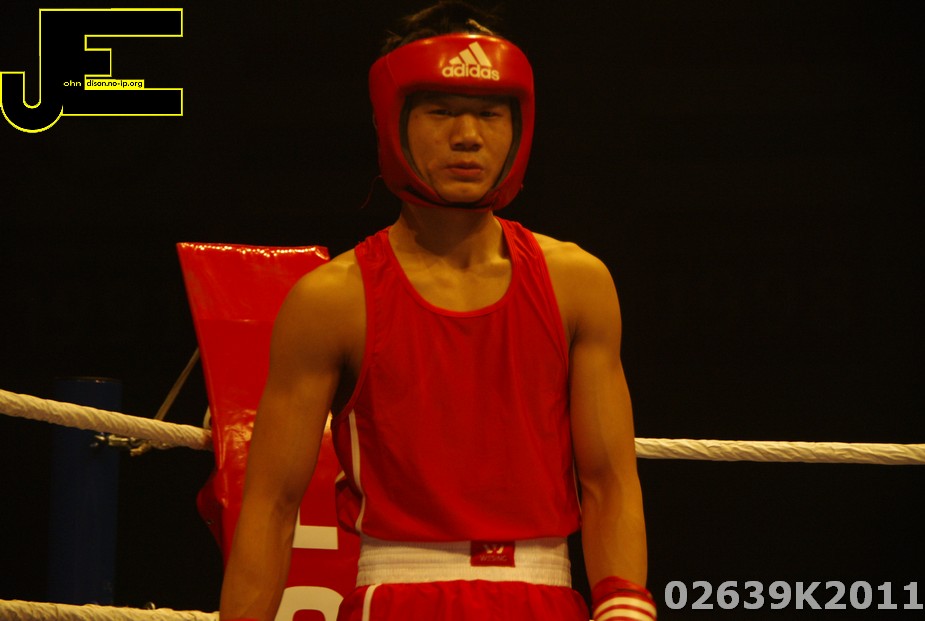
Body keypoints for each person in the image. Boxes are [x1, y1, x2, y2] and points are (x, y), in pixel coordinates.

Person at [219, 2, 656, 620]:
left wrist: (624, 607)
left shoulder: (577, 283)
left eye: (490, 113)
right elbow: (269, 505)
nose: (468, 136)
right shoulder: (333, 299)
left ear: (519, 124)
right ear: (392, 121)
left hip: (548, 597)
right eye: (442, 112)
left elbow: (609, 481)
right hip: (397, 597)